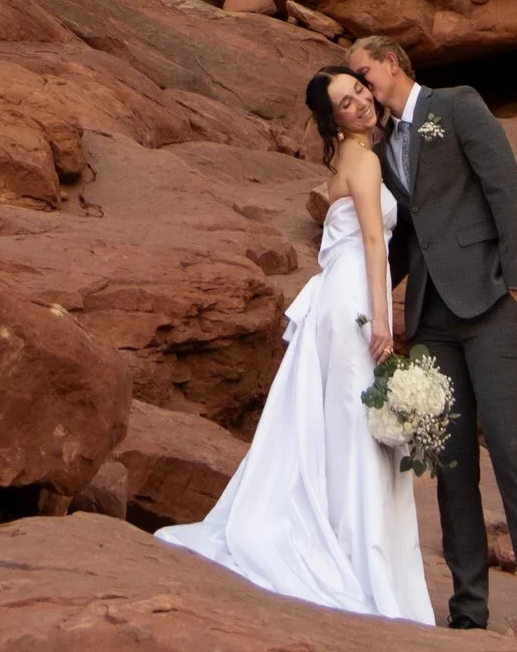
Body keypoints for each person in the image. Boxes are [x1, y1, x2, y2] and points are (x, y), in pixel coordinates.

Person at [156, 65, 434, 622]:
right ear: (332, 122)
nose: (358, 103)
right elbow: (375, 242)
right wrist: (383, 320)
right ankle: (359, 562)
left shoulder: (344, 161)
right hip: (354, 296)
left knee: (342, 420)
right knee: (357, 426)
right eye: (345, 103)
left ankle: (343, 541)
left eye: (359, 92)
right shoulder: (364, 158)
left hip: (339, 294)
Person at [345, 31, 517, 623]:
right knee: (451, 461)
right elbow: (402, 234)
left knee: (513, 448)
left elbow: (506, 190)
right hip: (432, 319)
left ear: (392, 63)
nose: (362, 86)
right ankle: (469, 606)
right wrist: (355, 292)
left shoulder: (457, 105)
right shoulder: (382, 146)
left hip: (490, 304)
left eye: (364, 73)